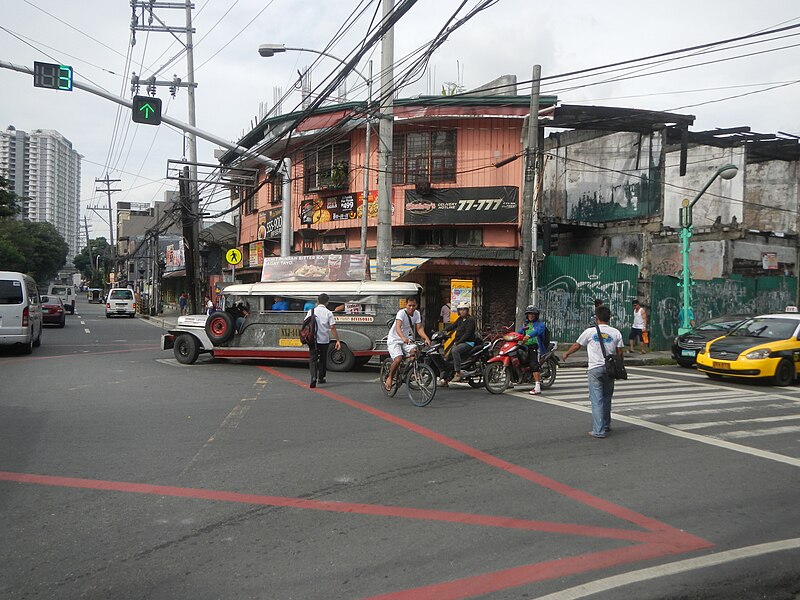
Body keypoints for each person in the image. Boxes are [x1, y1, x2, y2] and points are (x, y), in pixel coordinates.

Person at [561, 305, 624, 438]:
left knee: (597, 400)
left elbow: (577, 345)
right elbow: (620, 353)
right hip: (609, 369)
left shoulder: (590, 332)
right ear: (609, 318)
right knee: (607, 398)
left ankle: (598, 430)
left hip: (595, 369)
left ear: (597, 318)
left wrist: (566, 354)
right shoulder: (616, 332)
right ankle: (606, 425)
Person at [384, 297, 432, 391]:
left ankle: (407, 373)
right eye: (409, 305)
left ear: (416, 305)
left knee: (414, 352)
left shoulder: (417, 314)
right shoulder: (401, 313)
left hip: (407, 340)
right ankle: (390, 377)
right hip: (395, 339)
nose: (411, 308)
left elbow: (419, 328)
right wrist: (403, 338)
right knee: (398, 359)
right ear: (406, 305)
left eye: (413, 306)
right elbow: (398, 327)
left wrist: (426, 338)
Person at [308, 293, 341, 388]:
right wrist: (337, 340)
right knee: (322, 359)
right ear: (327, 302)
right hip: (324, 340)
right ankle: (321, 377)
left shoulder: (311, 311)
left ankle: (313, 377)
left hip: (313, 339)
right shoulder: (328, 313)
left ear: (318, 301)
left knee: (313, 359)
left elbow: (306, 323)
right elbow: (332, 327)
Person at [441, 301, 477, 385]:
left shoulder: (470, 320)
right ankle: (446, 378)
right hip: (459, 342)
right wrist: (442, 331)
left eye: (464, 309)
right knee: (448, 358)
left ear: (467, 311)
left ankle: (458, 372)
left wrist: (458, 342)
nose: (462, 311)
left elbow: (467, 334)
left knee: (455, 351)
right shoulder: (460, 319)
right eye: (461, 310)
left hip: (468, 342)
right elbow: (452, 326)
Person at [518, 305, 546, 395]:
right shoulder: (525, 325)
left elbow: (537, 331)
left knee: (534, 364)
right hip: (525, 346)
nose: (531, 316)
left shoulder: (540, 325)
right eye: (529, 314)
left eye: (533, 314)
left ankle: (537, 387)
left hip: (536, 347)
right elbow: (518, 332)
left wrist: (529, 336)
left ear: (536, 315)